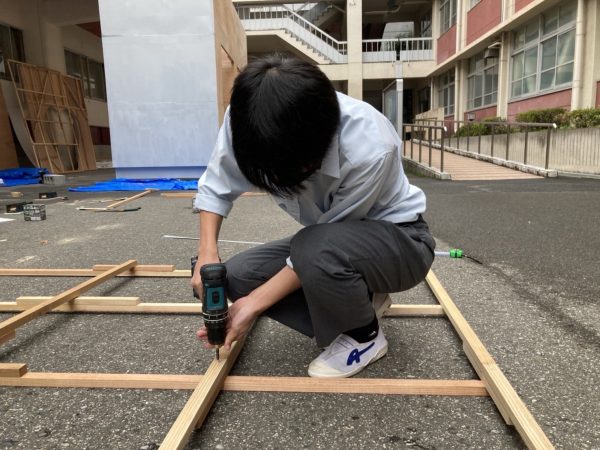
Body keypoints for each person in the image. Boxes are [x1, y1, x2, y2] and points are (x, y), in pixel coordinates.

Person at [192, 54, 435, 378]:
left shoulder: (370, 144)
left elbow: (324, 241)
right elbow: (216, 185)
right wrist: (207, 256)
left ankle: (365, 336)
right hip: (330, 243)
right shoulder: (248, 118)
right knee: (236, 276)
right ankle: (360, 303)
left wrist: (253, 304)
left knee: (312, 247)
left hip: (403, 243)